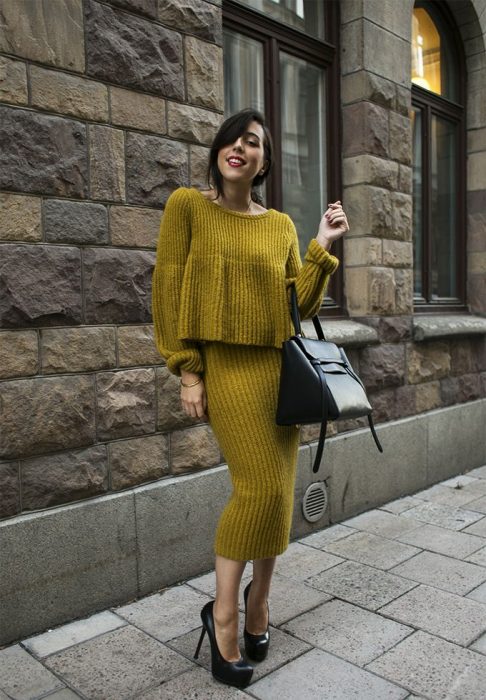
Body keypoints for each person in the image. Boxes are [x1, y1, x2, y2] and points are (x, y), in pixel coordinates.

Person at [151, 108, 348, 688]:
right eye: (235, 138)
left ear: (262, 162)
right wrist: (188, 371)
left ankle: (260, 601)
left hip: (278, 371)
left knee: (276, 498)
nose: (242, 146)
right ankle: (225, 615)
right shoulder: (186, 207)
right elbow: (166, 291)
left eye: (255, 142)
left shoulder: (280, 226)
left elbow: (302, 306)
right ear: (219, 151)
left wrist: (321, 245)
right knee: (257, 489)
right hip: (226, 371)